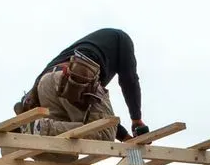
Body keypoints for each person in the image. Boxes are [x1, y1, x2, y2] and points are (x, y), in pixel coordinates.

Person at [14, 27, 149, 138]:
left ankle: (30, 132)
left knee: (65, 144)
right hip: (74, 78)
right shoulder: (122, 39)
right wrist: (136, 119)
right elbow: (129, 80)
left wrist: (125, 138)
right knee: (104, 131)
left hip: (45, 83)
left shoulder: (87, 46)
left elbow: (95, 120)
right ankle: (38, 129)